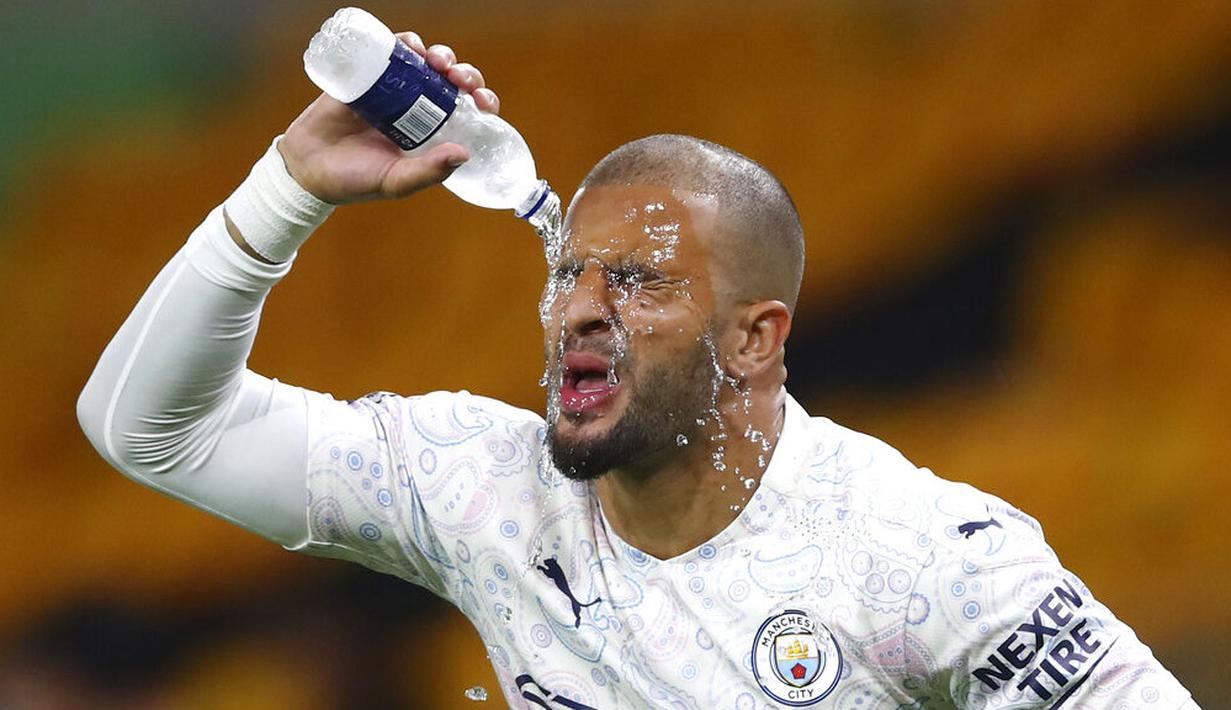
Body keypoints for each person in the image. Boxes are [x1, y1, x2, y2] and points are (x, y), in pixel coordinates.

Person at [78, 31, 1197, 709]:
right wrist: (288, 188)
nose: (579, 308)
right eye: (568, 273)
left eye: (639, 281)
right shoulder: (481, 489)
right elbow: (152, 429)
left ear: (754, 339)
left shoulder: (921, 558)